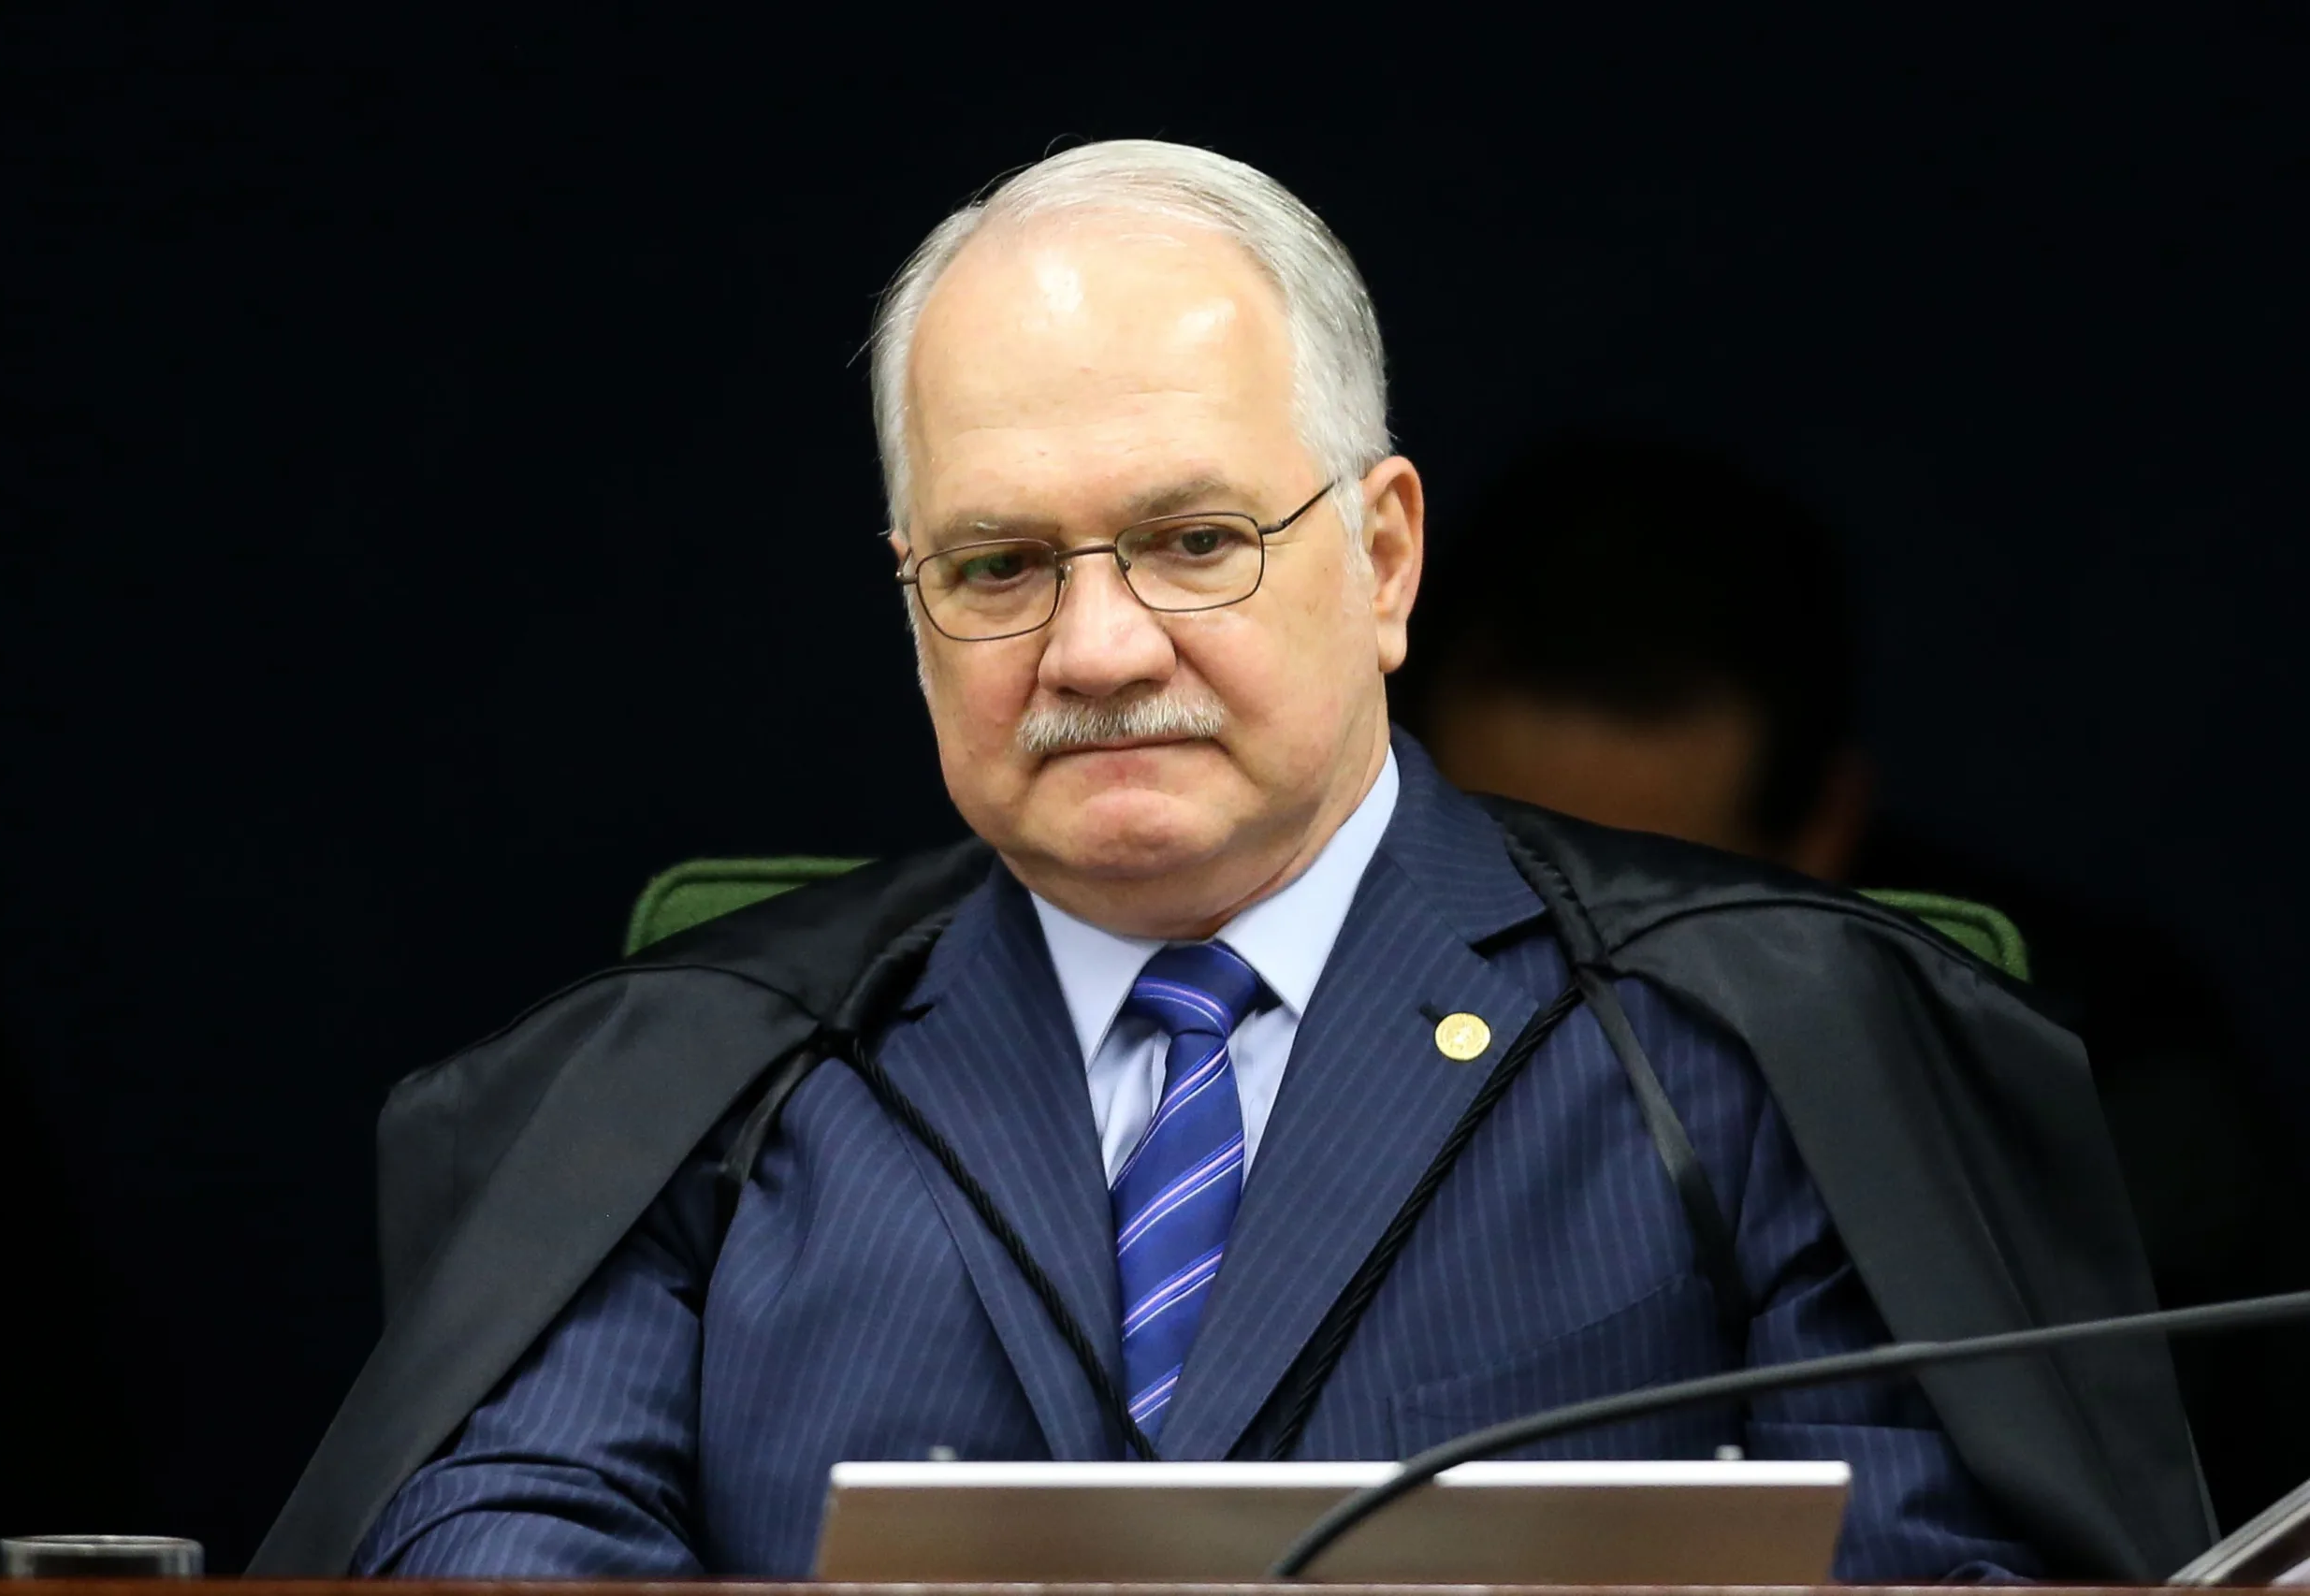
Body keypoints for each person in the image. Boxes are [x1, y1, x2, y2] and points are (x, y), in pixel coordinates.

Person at [253, 142, 2207, 1581]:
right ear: (908, 600)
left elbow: (1949, 1570)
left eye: (1194, 540)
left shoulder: (1747, 1041)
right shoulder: (705, 1078)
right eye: (1000, 565)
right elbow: (491, 1529)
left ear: (1380, 557)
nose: (1096, 648)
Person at [1402, 433, 2310, 1533]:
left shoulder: (2085, 1075)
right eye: (1506, 873)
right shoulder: (1251, 1040)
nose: (1562, 959)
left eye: (1647, 896)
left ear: (1826, 830)